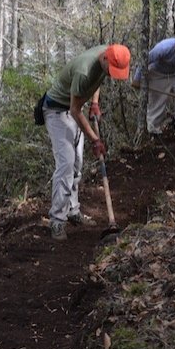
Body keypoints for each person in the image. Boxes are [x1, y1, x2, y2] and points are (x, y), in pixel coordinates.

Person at [41, 43, 132, 241]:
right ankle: (57, 220)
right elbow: (75, 110)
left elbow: (97, 81)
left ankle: (73, 211)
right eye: (113, 70)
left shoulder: (105, 53)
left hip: (74, 108)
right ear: (106, 59)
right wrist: (95, 140)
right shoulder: (84, 71)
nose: (112, 74)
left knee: (77, 164)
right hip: (57, 110)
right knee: (65, 165)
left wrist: (95, 103)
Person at [135, 29, 175, 139]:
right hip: (157, 73)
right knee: (157, 102)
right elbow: (145, 61)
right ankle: (154, 131)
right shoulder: (164, 48)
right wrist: (137, 79)